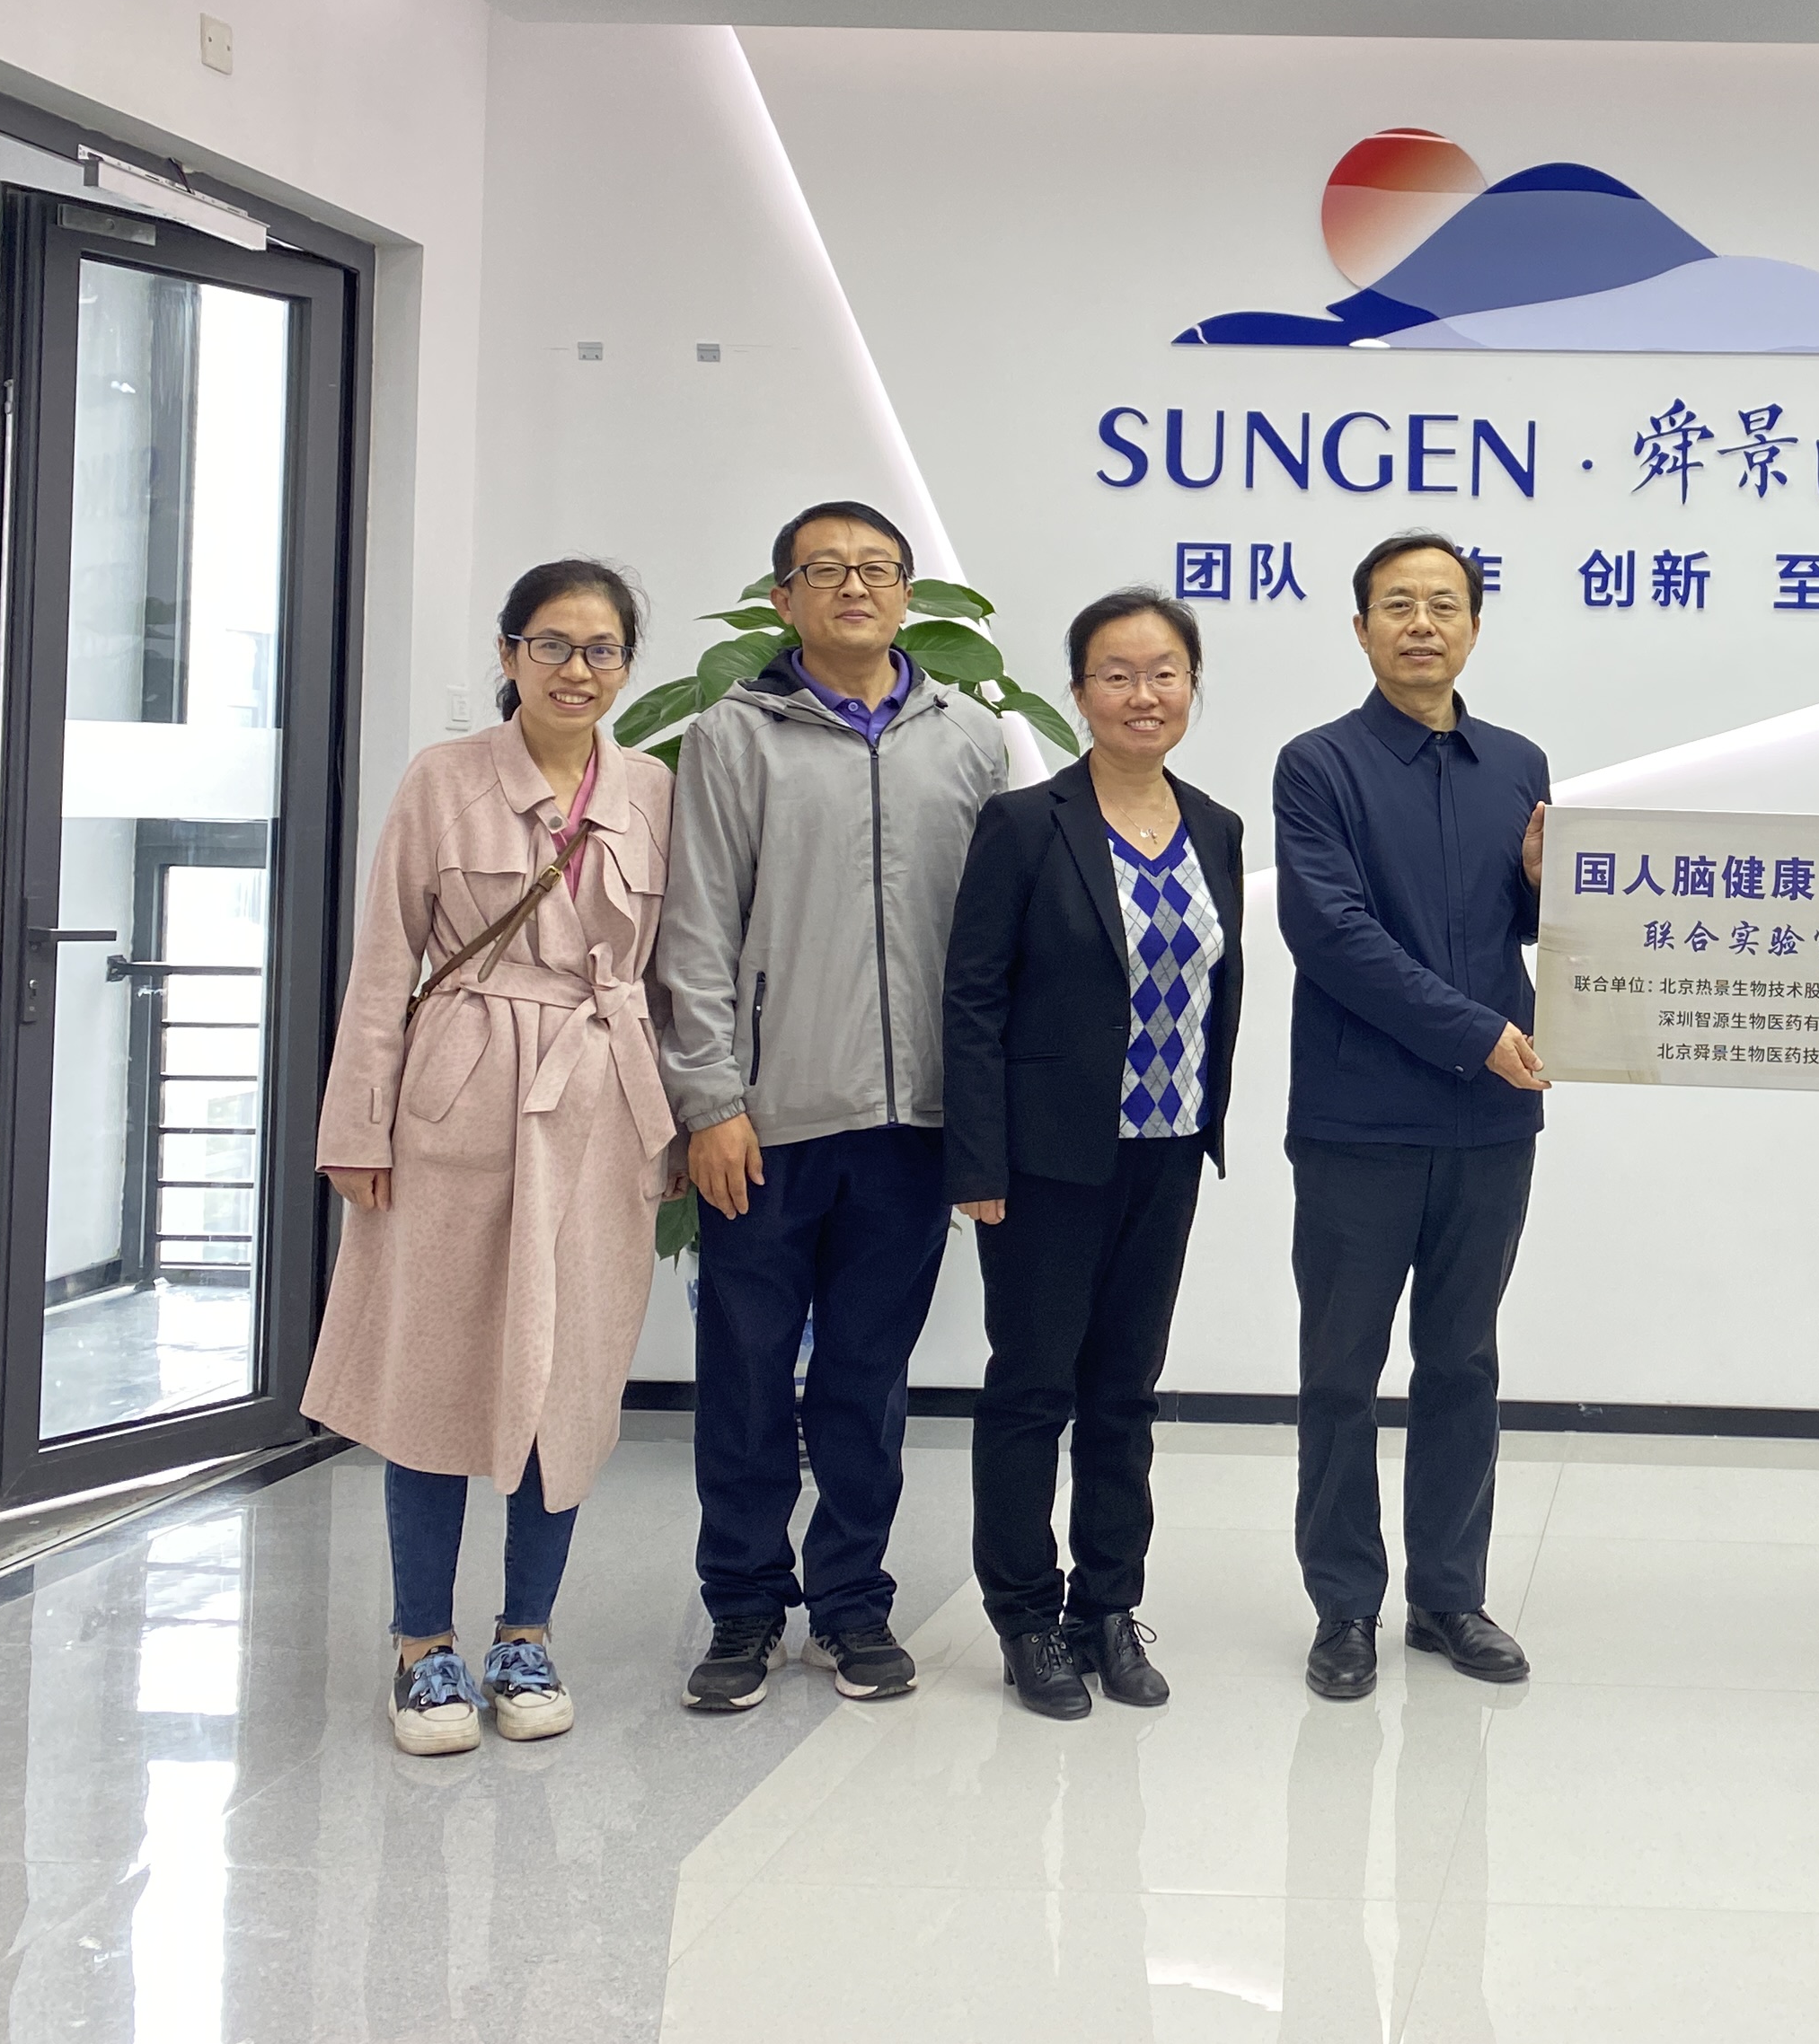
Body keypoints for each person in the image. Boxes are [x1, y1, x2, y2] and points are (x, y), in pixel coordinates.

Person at [312, 561, 679, 1756]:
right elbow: (386, 958)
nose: (578, 669)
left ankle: (528, 1634)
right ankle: (423, 1644)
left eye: (603, 649)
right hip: (456, 1101)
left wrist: (674, 1124)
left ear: (628, 664)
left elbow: (673, 974)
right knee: (431, 1371)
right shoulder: (444, 778)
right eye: (552, 644)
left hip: (597, 1104)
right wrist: (357, 1125)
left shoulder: (652, 789)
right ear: (511, 653)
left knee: (565, 1374)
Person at [655, 499, 1007, 1710]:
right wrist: (710, 1101)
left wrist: (982, 1117)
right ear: (784, 598)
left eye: (878, 568)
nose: (855, 586)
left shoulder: (971, 739)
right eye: (826, 570)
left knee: (868, 1375)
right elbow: (697, 930)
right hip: (767, 1120)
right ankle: (744, 1605)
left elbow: (991, 942)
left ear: (908, 592)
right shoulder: (732, 736)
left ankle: (852, 1602)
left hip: (914, 1124)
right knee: (748, 1375)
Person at [944, 588, 1245, 1719]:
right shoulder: (1028, 824)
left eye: (1164, 673)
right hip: (1045, 1162)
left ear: (1193, 686)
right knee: (1032, 1390)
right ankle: (1026, 1617)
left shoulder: (1216, 827)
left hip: (1167, 1150)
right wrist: (978, 1162)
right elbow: (973, 996)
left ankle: (1107, 1608)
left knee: (1125, 1393)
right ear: (1078, 693)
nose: (1142, 695)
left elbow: (1215, 988)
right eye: (1117, 675)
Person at [1275, 532, 1551, 1701]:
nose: (1423, 624)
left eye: (1445, 604)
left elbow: (1526, 933)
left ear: (1475, 627)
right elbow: (1333, 935)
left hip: (1491, 1122)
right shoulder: (1319, 766)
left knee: (1463, 1363)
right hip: (1362, 1120)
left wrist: (1542, 887)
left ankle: (1449, 1596)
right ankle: (1345, 1606)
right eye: (1398, 604)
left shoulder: (1518, 763)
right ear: (1361, 629)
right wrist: (1475, 1031)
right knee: (1342, 1371)